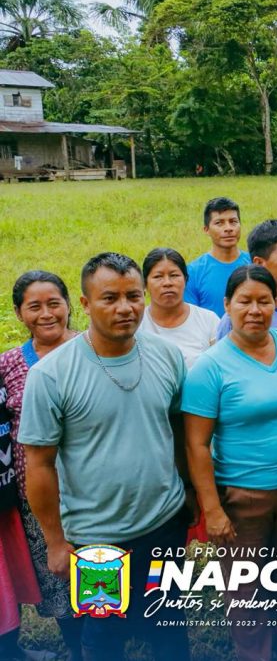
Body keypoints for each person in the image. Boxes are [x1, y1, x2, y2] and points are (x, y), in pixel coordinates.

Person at [19, 252, 191, 661]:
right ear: (85, 304)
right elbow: (39, 465)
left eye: (133, 296)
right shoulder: (51, 375)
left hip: (165, 522)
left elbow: (179, 429)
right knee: (104, 636)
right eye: (109, 298)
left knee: (169, 627)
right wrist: (56, 542)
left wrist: (191, 492)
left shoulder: (166, 356)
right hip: (97, 538)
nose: (125, 308)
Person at [182, 265, 277, 661]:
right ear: (227, 305)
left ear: (275, 304)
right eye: (245, 301)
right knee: (244, 589)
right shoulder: (211, 367)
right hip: (241, 496)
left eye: (264, 301)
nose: (255, 310)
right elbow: (196, 445)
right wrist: (212, 510)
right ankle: (255, 654)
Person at [0, 271, 80, 661]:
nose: (47, 314)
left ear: (70, 305)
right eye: (35, 306)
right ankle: (78, 647)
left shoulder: (93, 350)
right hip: (39, 499)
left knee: (101, 578)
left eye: (54, 303)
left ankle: (104, 644)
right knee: (58, 580)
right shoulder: (9, 365)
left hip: (94, 495)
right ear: (18, 313)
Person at [139, 248, 218, 368]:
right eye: (158, 277)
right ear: (145, 284)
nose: (167, 283)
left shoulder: (208, 320)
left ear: (185, 280)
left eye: (174, 275)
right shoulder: (136, 324)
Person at [184, 197, 251, 317]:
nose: (228, 228)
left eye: (233, 222)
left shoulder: (256, 264)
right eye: (219, 223)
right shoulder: (193, 272)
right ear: (206, 230)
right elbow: (192, 319)